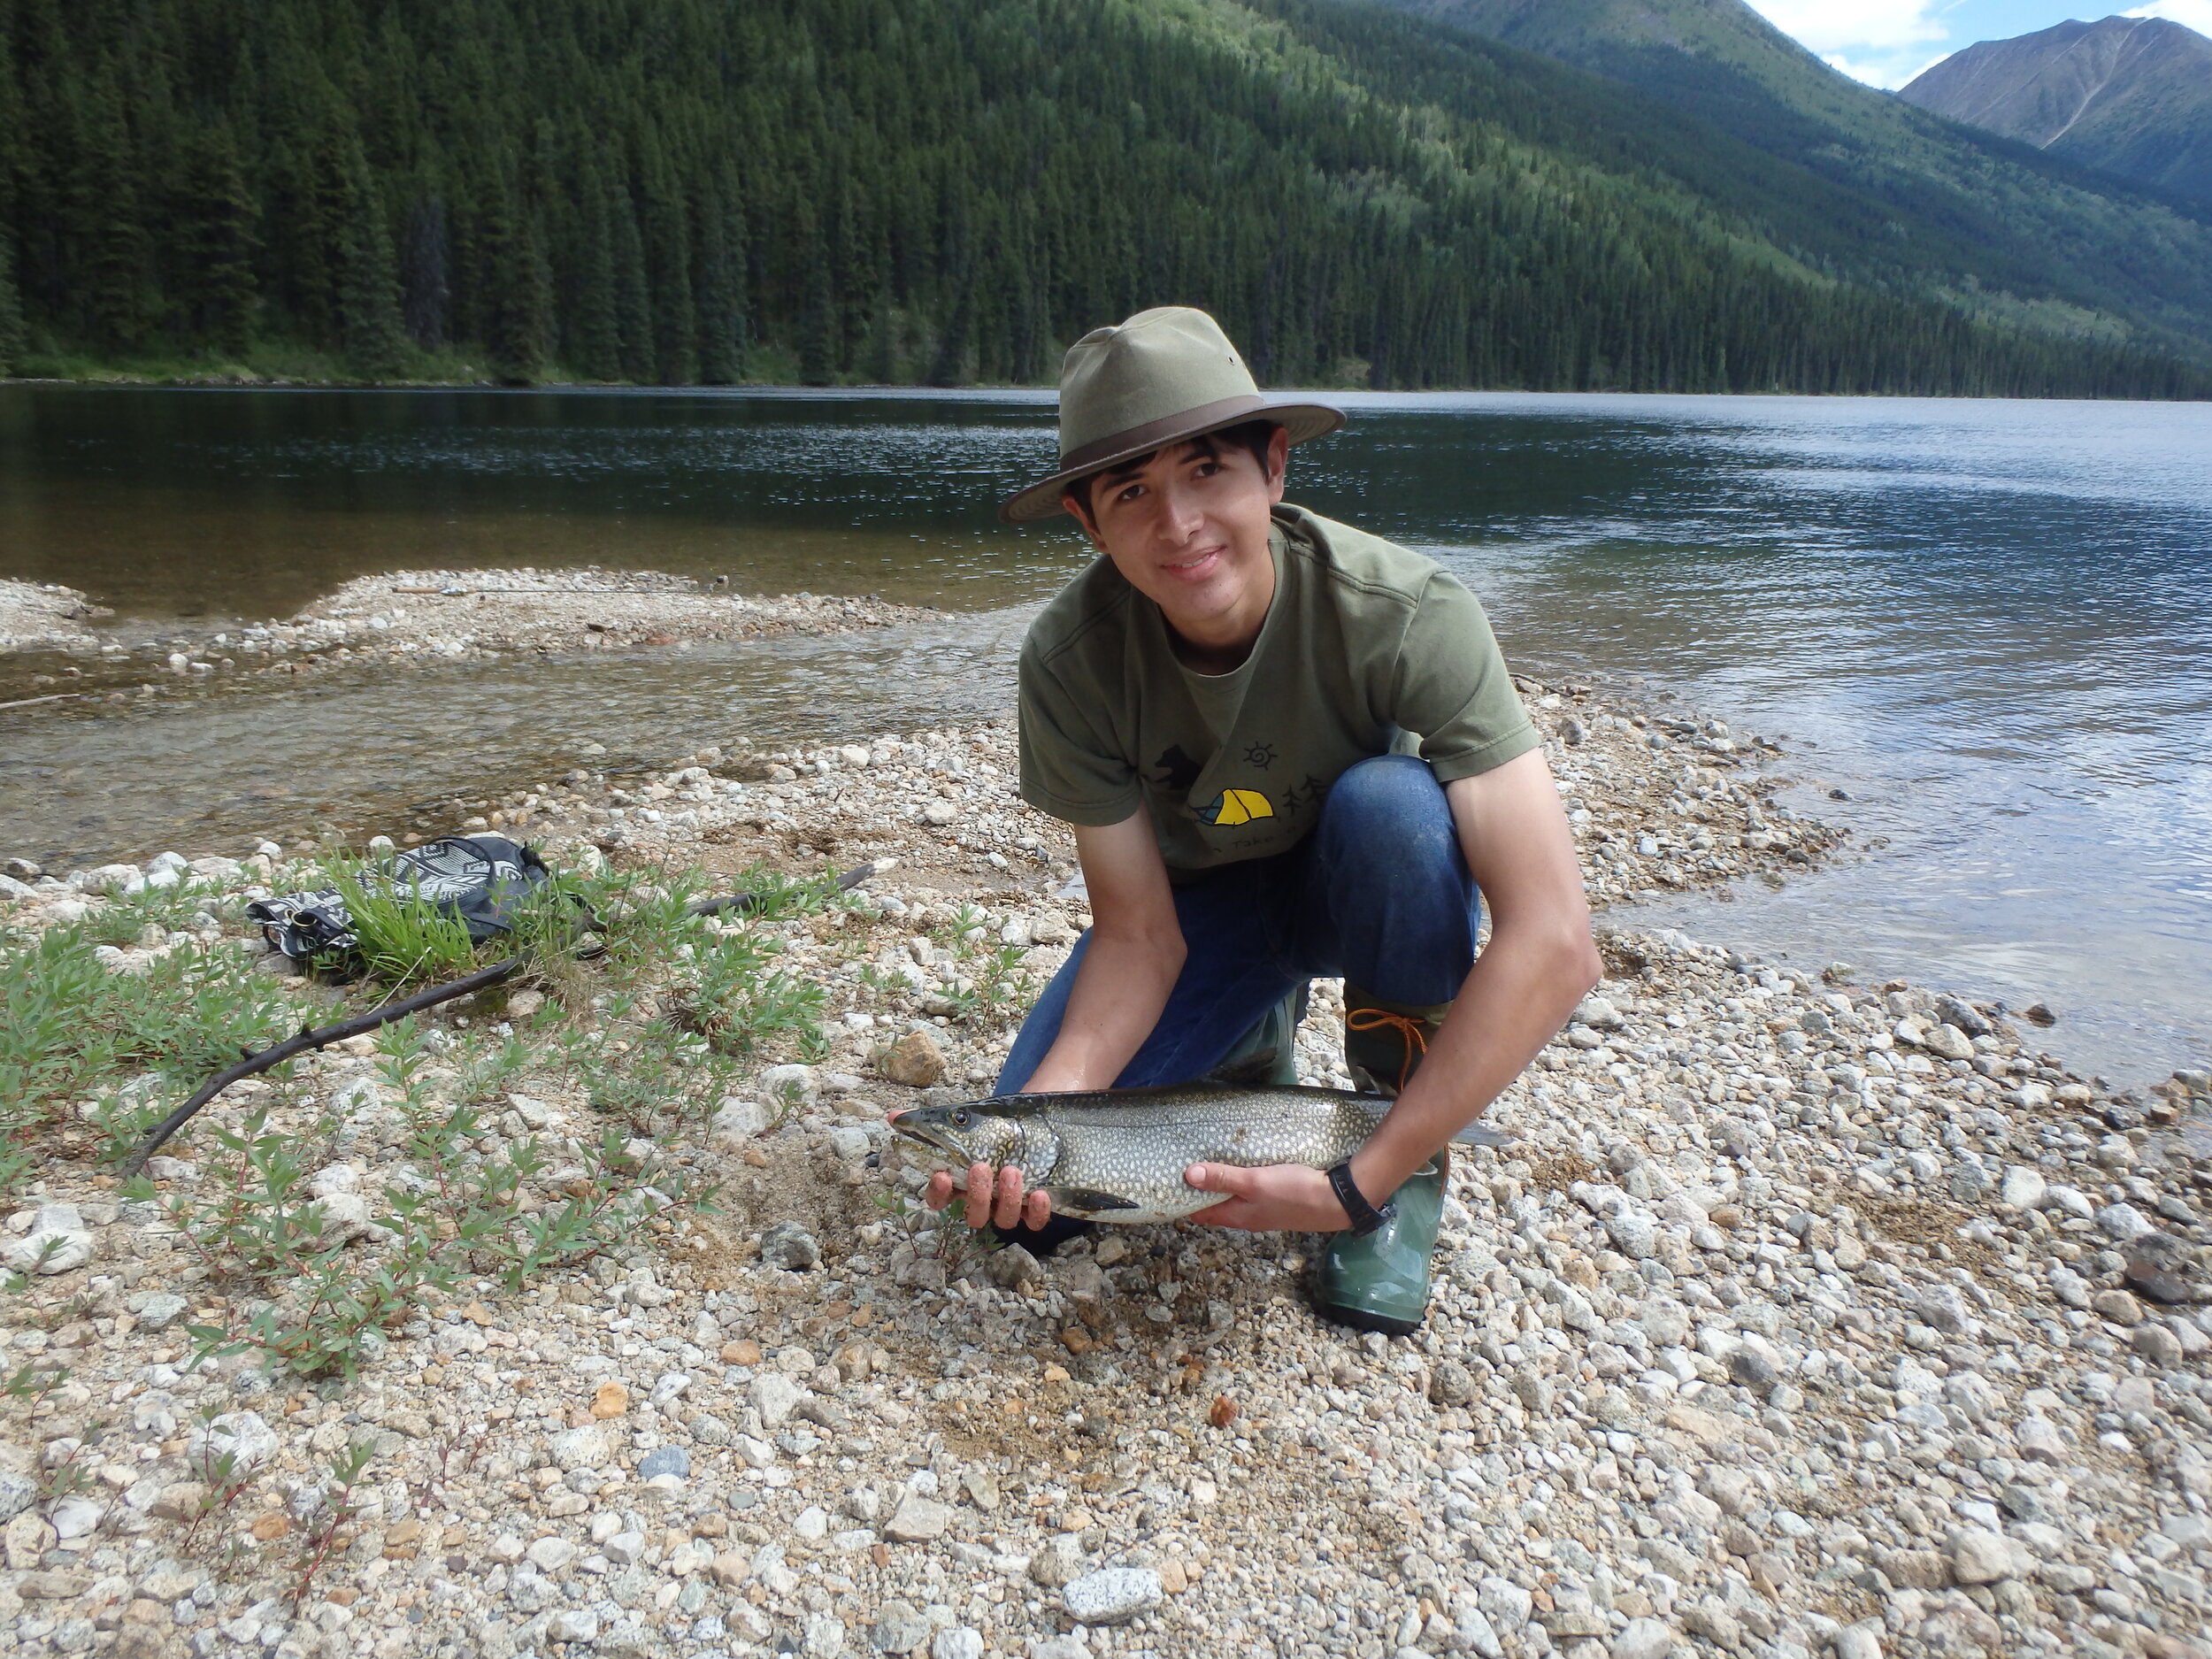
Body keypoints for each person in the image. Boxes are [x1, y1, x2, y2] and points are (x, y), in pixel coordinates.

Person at [924, 306, 1601, 1333]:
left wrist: (1355, 1183)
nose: (1179, 524)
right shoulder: (1070, 664)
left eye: (1206, 472)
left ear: (1273, 467)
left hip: (1368, 881)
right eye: (1132, 492)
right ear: (1087, 521)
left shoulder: (1410, 613)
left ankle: (1398, 1169)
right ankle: (1249, 1046)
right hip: (1200, 920)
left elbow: (1555, 942)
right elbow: (1139, 932)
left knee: (1395, 811)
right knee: (1036, 1216)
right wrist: (1036, 1126)